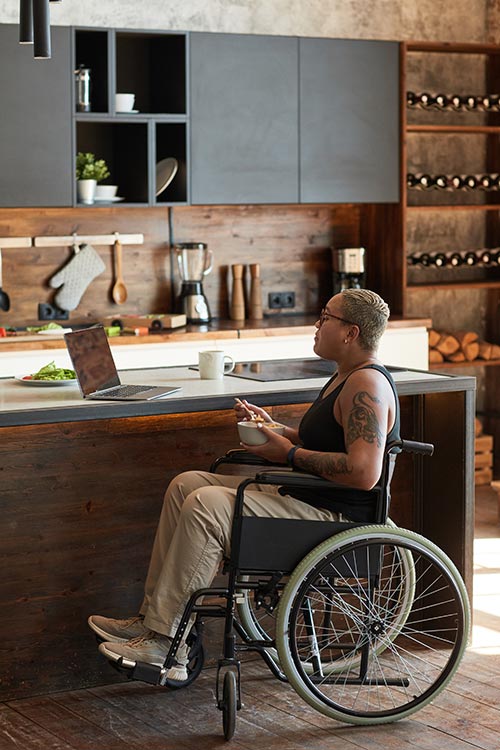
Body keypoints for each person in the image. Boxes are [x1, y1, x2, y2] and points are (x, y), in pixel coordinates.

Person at [88, 288, 400, 682]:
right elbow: (327, 443)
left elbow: (363, 472)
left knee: (206, 504)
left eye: (326, 317)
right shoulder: (345, 376)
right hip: (305, 498)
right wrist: (275, 429)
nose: (317, 325)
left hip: (331, 517)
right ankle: (153, 618)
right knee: (187, 484)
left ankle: (169, 643)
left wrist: (286, 454)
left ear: (351, 332)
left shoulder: (366, 385)